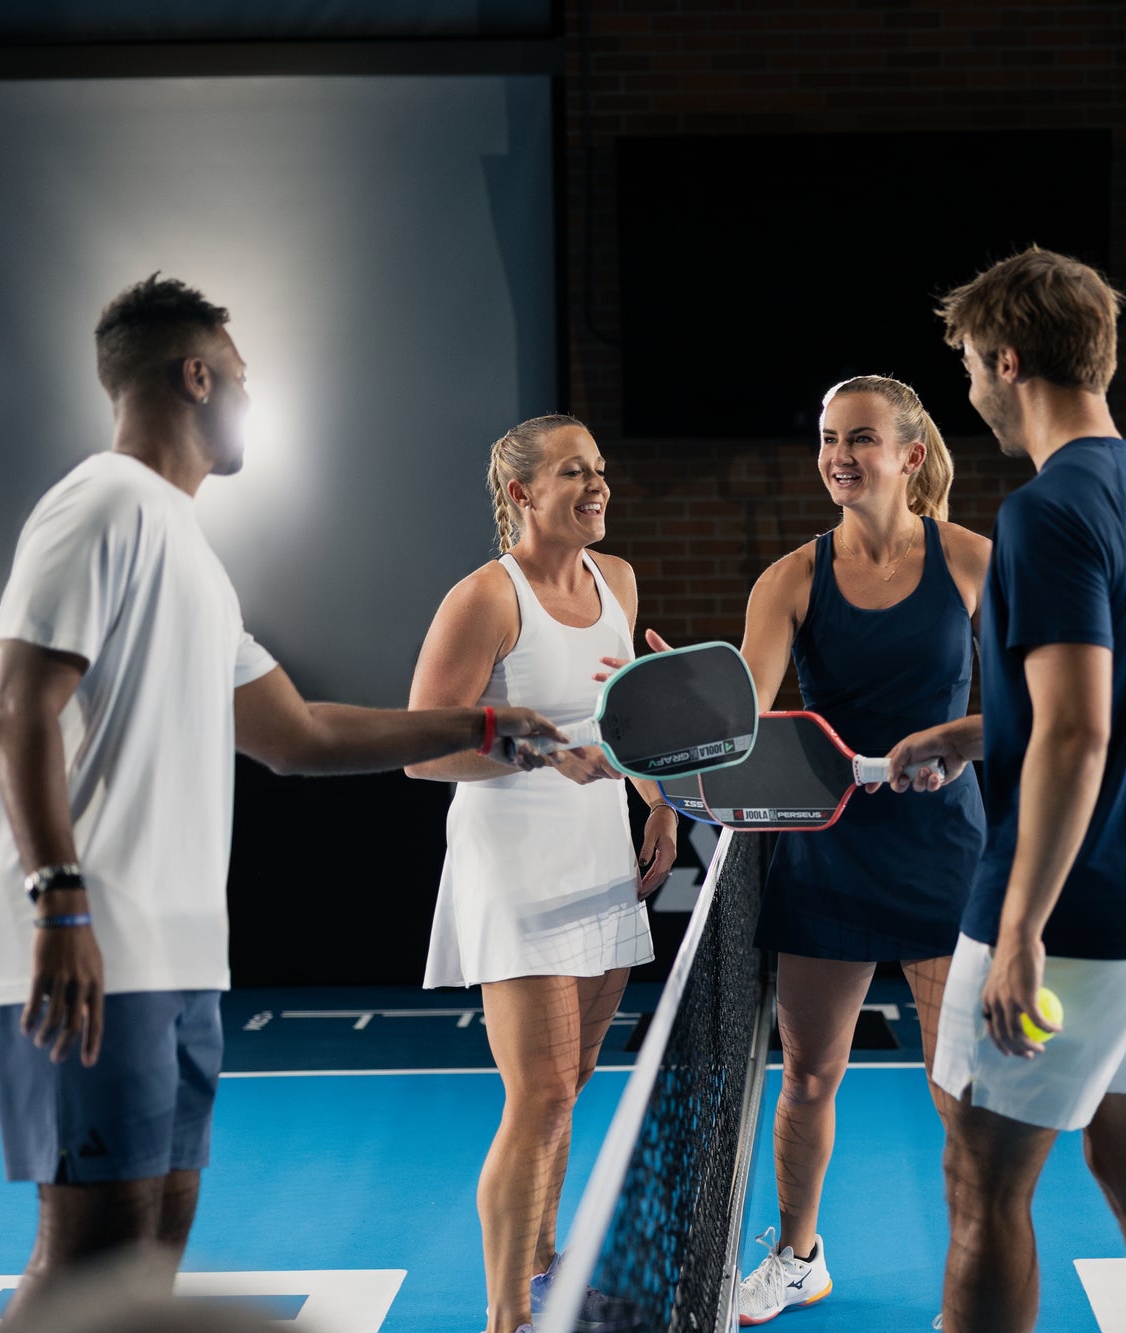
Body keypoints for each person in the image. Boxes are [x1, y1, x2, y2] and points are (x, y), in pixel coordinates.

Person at [0, 275, 567, 1324]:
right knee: (89, 1254)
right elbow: (14, 704)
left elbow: (297, 735)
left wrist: (478, 727)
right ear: (194, 375)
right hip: (86, 941)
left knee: (152, 1246)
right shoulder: (100, 503)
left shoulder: (191, 553)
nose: (245, 399)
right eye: (239, 379)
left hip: (175, 951)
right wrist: (58, 899)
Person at [888, 247, 1126, 1333]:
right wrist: (971, 729)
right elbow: (1120, 697)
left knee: (982, 1189)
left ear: (1005, 358)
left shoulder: (1046, 512)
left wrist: (1021, 925)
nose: (968, 393)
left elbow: (1081, 732)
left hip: (1078, 918)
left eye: (965, 368)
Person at [694, 375, 991, 1325]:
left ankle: (980, 1262)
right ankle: (797, 1254)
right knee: (811, 1072)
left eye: (859, 438)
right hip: (827, 850)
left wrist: (963, 739)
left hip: (946, 848)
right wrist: (681, 708)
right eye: (827, 438)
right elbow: (742, 717)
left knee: (962, 1088)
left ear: (909, 454)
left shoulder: (979, 562)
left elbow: (1041, 701)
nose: (837, 456)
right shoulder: (790, 578)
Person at [405, 414, 678, 1333]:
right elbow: (424, 750)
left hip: (599, 855)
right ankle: (504, 1319)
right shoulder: (486, 597)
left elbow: (624, 717)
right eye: (574, 472)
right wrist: (536, 756)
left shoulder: (621, 581)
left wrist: (661, 801)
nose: (597, 486)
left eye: (599, 469)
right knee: (540, 1094)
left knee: (578, 1076)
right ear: (522, 492)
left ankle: (545, 1270)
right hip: (513, 866)